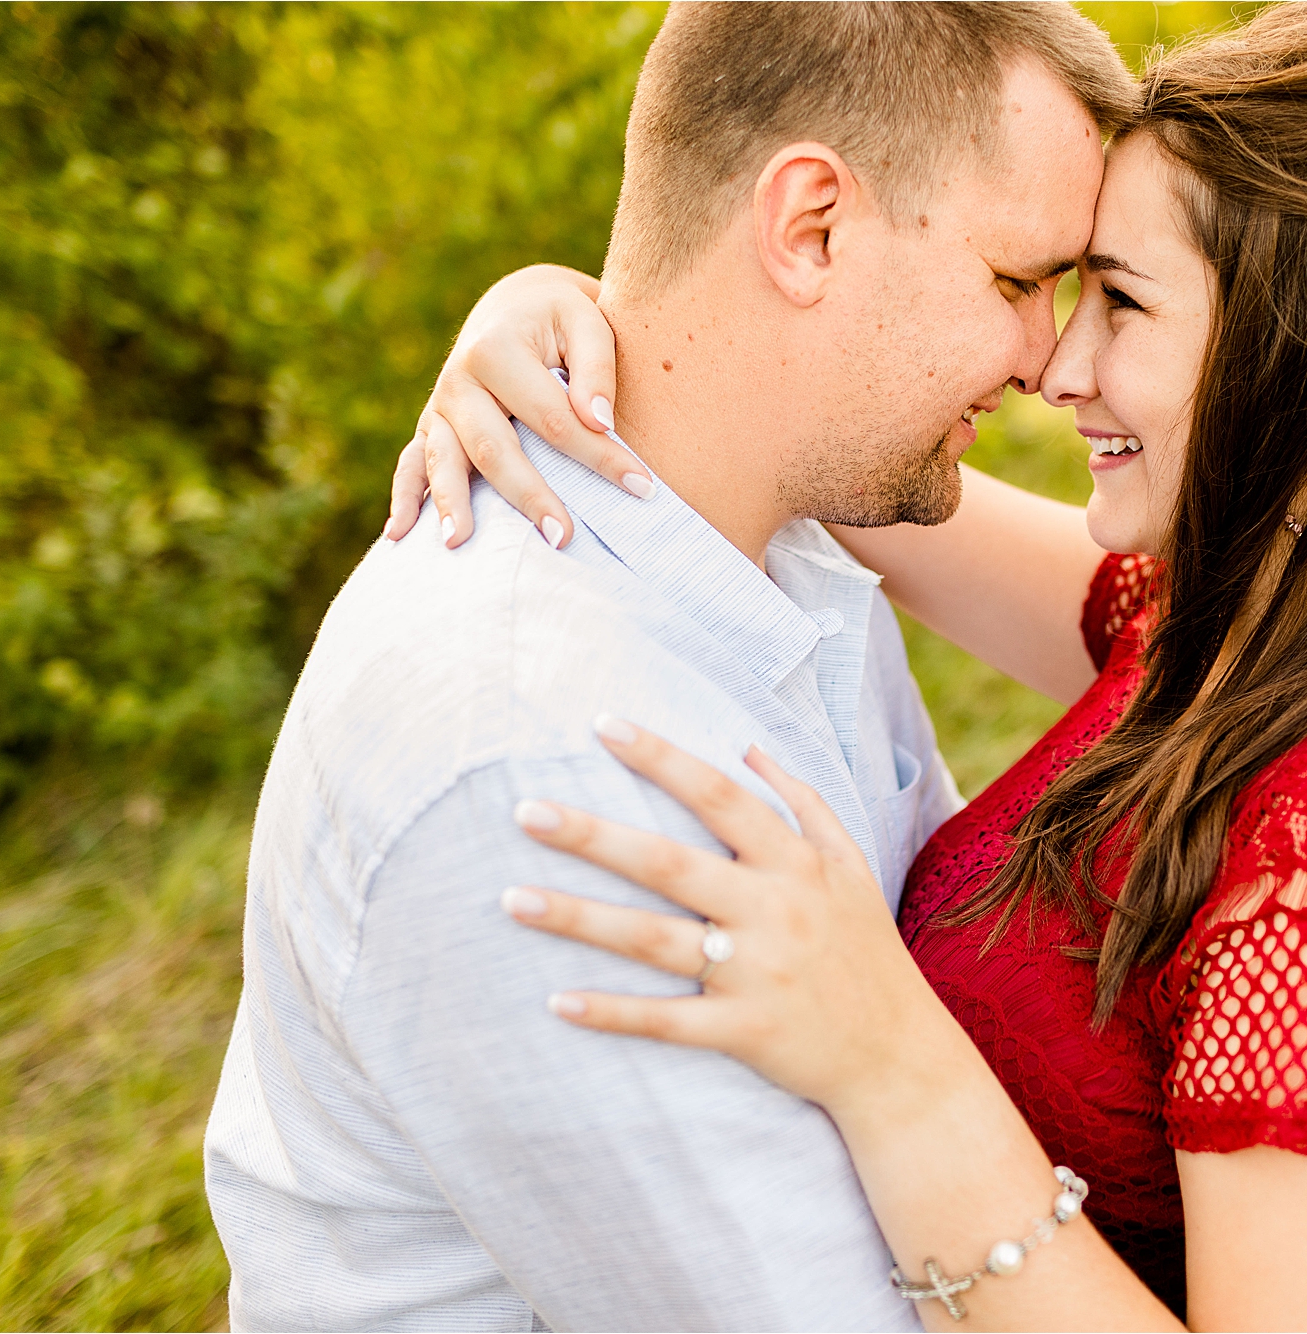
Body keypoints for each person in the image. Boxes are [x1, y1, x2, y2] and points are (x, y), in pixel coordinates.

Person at [392, 3, 1307, 1330]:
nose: (1058, 363)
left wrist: (892, 1066)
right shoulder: (1239, 619)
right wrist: (560, 320)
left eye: (1122, 302)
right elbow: (797, 424)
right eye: (1057, 289)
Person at [202, 5, 1139, 1329]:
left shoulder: (785, 557)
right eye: (1015, 282)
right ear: (808, 226)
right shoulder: (537, 757)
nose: (1050, 358)